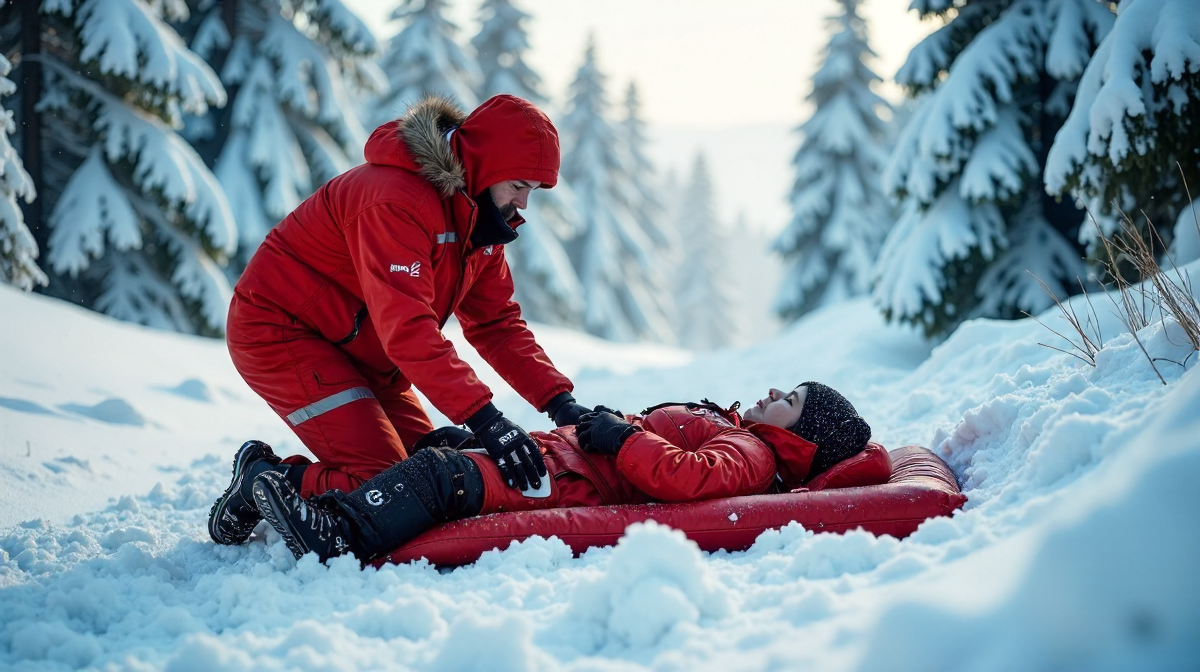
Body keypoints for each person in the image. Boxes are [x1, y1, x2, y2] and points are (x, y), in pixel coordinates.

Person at [209, 94, 598, 547]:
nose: (523, 203)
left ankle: (294, 484)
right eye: (517, 185)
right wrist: (487, 419)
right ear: (483, 164)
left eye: (533, 190)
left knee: (431, 477)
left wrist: (562, 404)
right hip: (283, 330)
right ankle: (262, 480)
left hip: (363, 349)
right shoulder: (396, 199)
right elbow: (409, 328)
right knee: (386, 486)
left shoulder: (479, 220)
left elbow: (497, 324)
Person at [249, 382, 874, 563]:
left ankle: (336, 535)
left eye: (787, 400)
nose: (771, 392)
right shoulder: (744, 433)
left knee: (440, 476)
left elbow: (689, 480)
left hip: (564, 481)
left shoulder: (756, 456)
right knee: (426, 456)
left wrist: (619, 435)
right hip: (560, 454)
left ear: (800, 438)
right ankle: (275, 484)